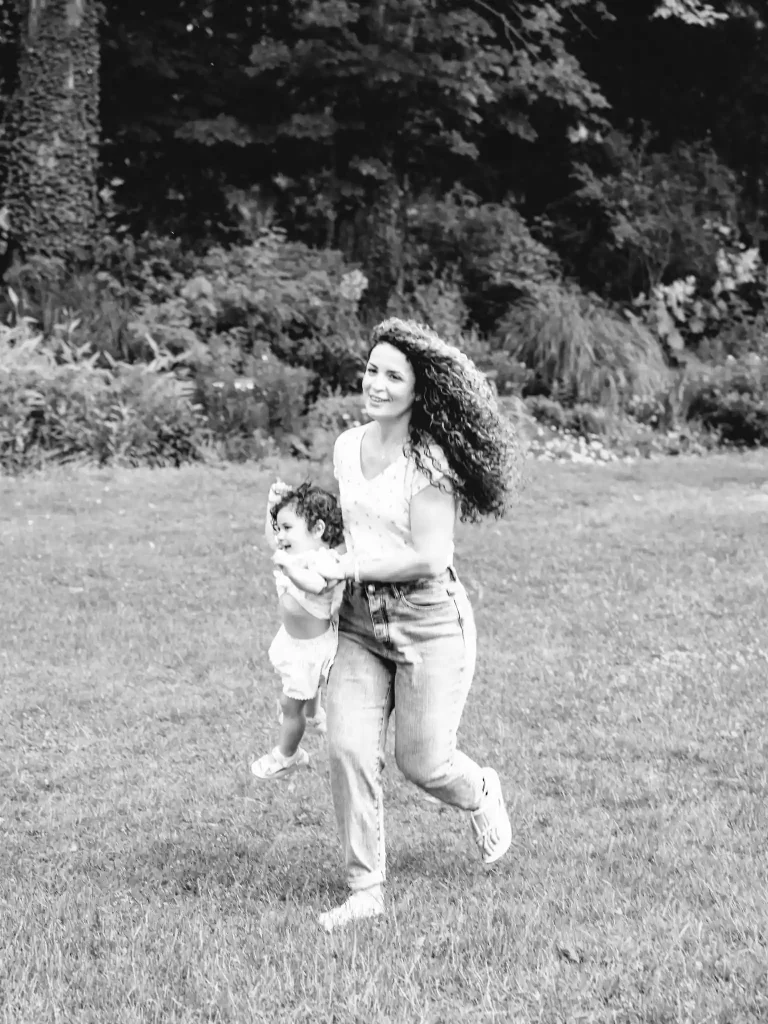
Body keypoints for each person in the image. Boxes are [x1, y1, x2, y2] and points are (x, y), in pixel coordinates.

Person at [313, 317, 524, 932]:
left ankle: (480, 792)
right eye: (372, 370)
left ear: (417, 389)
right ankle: (365, 890)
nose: (376, 384)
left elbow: (431, 557)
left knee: (424, 762)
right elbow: (352, 527)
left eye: (393, 376)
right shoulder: (347, 447)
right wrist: (307, 547)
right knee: (348, 747)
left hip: (428, 619)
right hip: (359, 622)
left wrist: (350, 564)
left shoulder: (429, 459)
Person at [250, 481, 346, 781]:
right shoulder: (295, 552)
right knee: (306, 690)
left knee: (289, 707)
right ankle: (314, 714)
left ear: (317, 529)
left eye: (287, 528)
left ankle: (288, 755)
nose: (280, 535)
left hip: (311, 648)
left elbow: (317, 585)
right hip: (296, 641)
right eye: (279, 527)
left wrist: (290, 570)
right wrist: (271, 504)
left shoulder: (324, 560)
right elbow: (270, 539)